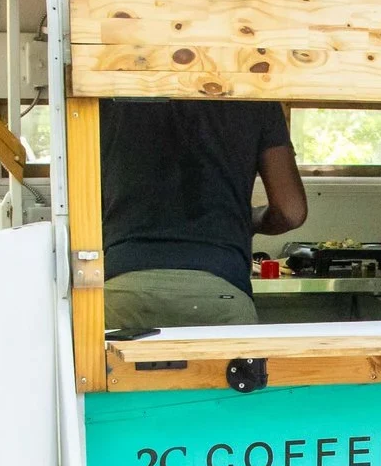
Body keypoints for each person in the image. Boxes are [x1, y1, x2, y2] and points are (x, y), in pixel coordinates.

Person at [100, 98, 307, 329]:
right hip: (220, 290)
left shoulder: (111, 95)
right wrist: (250, 219)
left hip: (123, 287)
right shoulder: (254, 97)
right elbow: (291, 211)